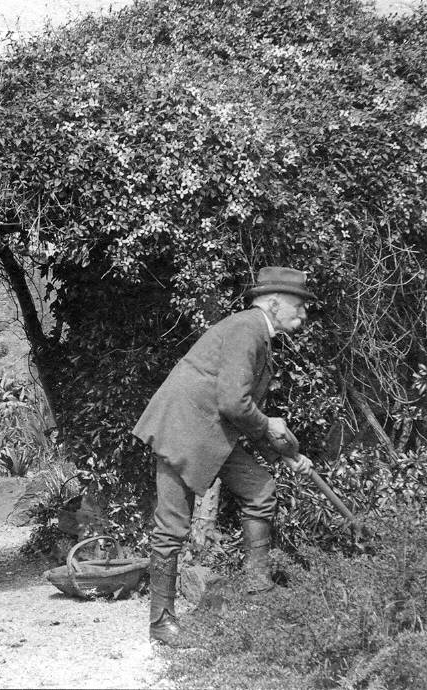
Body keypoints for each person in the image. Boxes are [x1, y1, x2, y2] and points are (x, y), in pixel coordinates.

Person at [132, 266, 316, 647]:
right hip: (183, 429)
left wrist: (286, 455)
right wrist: (270, 428)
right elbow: (235, 404)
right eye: (299, 307)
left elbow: (244, 411)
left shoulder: (258, 335)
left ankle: (258, 593)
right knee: (172, 525)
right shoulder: (248, 329)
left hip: (210, 433)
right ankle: (161, 623)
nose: (303, 316)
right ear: (275, 302)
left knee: (260, 489)